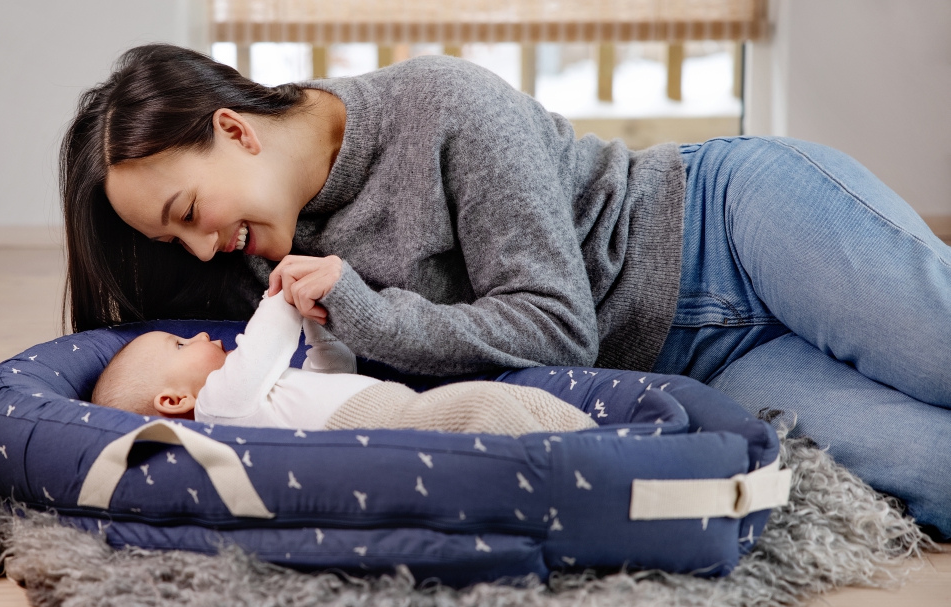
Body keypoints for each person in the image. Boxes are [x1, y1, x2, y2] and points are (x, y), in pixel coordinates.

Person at [61, 44, 951, 538]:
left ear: (233, 131)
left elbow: (558, 328)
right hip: (698, 365)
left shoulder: (441, 103)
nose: (201, 245)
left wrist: (366, 310)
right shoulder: (264, 274)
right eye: (171, 239)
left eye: (187, 209)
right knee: (931, 474)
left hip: (730, 221)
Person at [90, 291, 596, 437]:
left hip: (393, 407)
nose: (200, 335)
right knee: (485, 408)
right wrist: (281, 297)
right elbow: (262, 346)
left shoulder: (260, 402)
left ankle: (596, 442)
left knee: (514, 399)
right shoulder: (221, 411)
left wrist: (316, 327)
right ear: (175, 400)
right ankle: (579, 465)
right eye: (181, 345)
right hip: (388, 422)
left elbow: (332, 376)